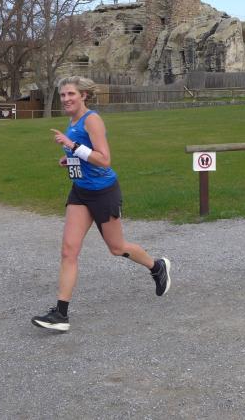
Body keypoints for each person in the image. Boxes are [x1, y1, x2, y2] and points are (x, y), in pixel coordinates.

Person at [31, 76, 171, 332]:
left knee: (117, 248)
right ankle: (60, 314)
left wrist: (72, 145)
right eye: (62, 95)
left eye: (71, 94)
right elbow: (86, 155)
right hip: (80, 192)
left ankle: (157, 266)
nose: (66, 99)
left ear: (83, 95)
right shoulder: (72, 120)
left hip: (104, 192)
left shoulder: (92, 120)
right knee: (68, 251)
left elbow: (104, 159)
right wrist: (70, 159)